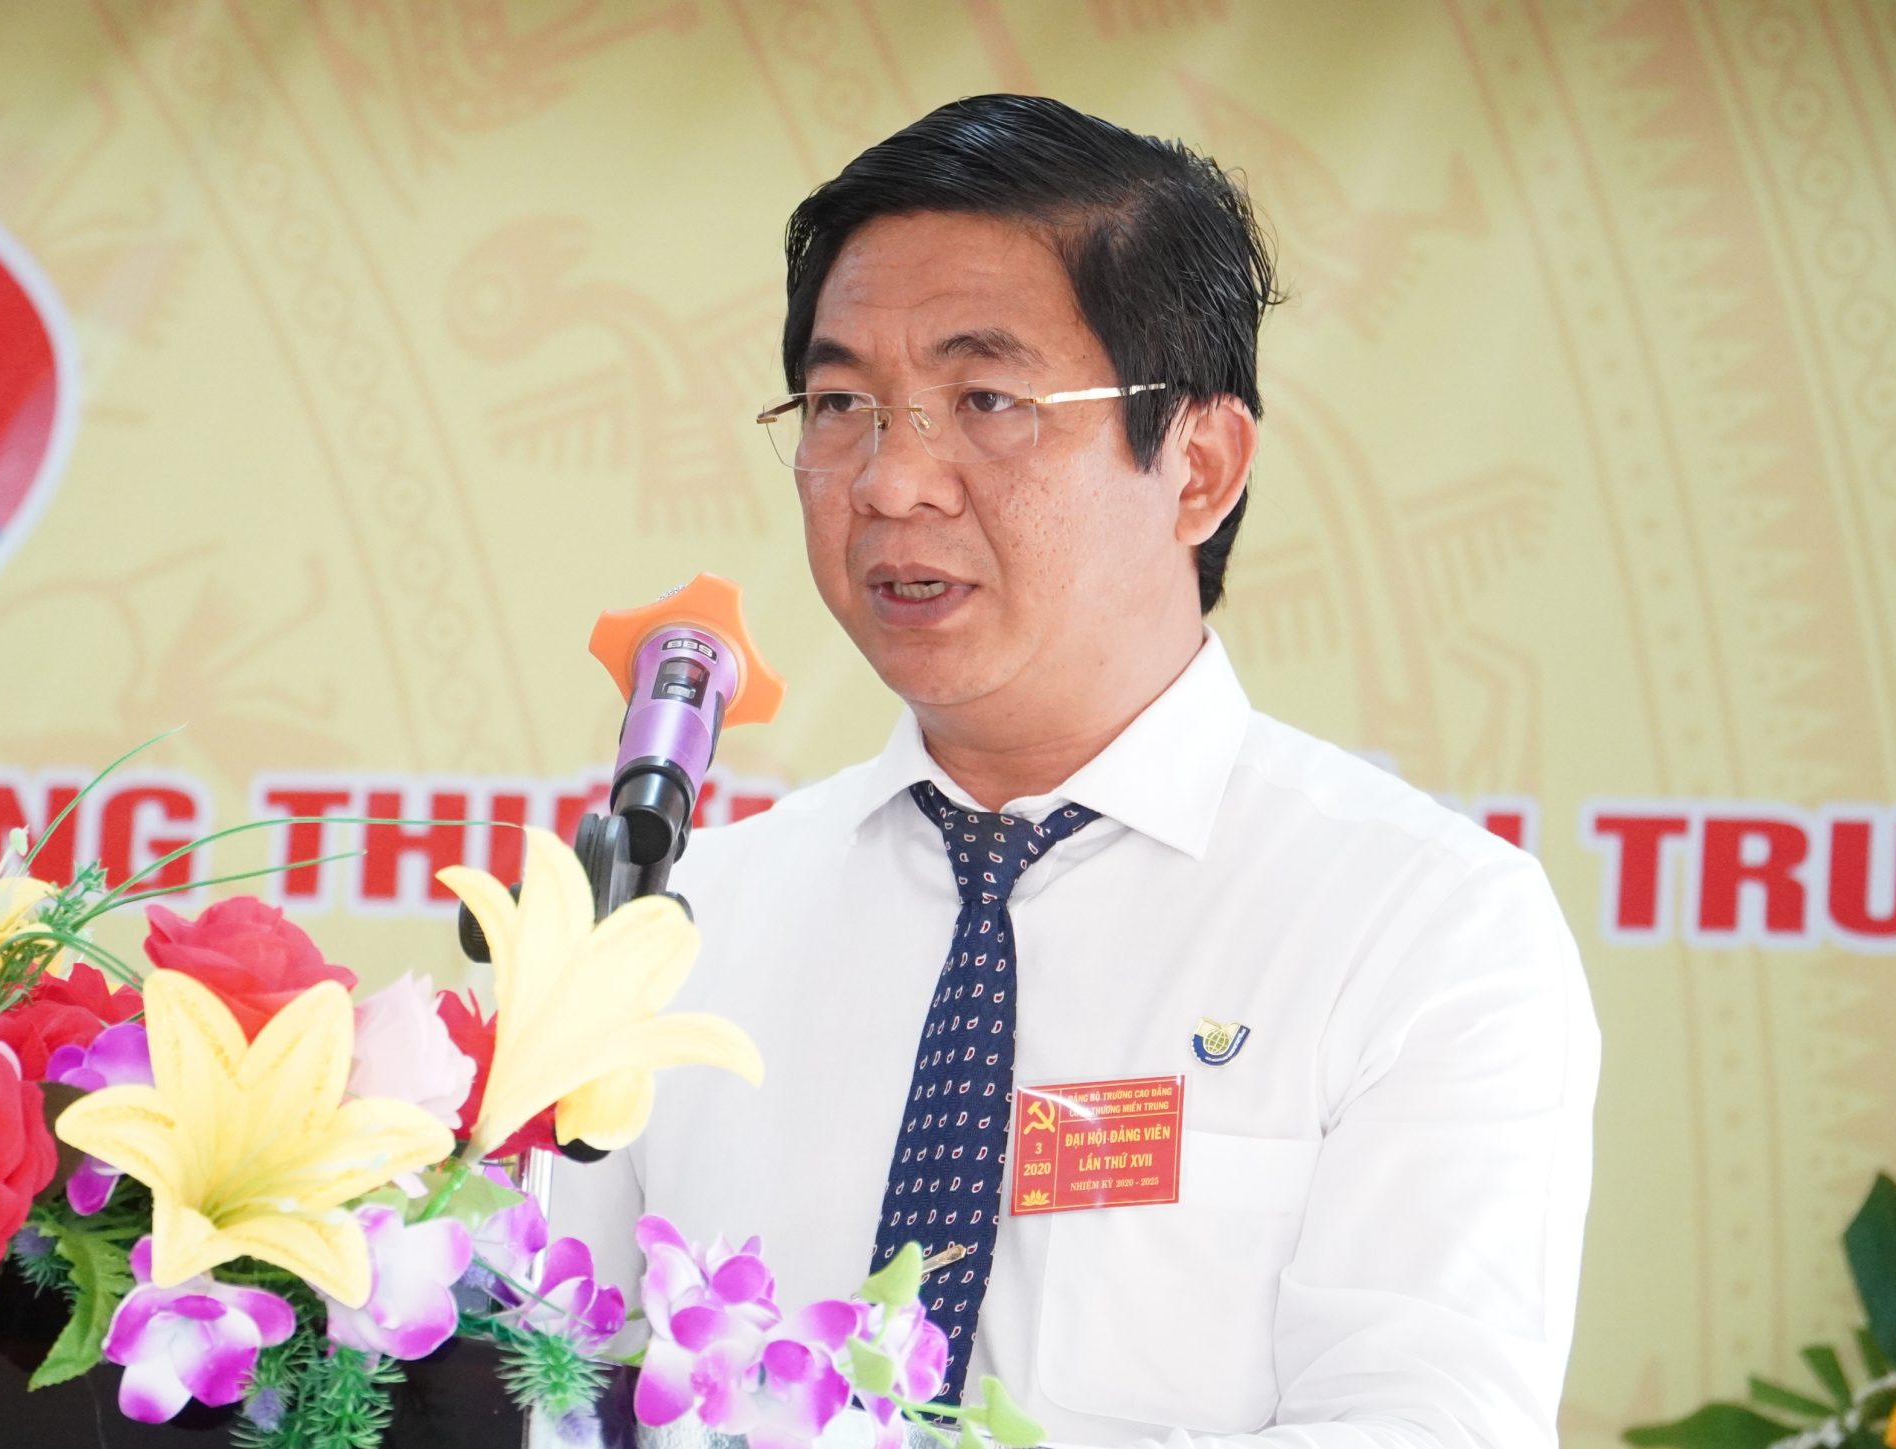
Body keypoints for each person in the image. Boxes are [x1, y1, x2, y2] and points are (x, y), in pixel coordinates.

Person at [551, 95, 1598, 1447]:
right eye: (842, 403)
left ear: (1199, 465)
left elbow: (1420, 1425)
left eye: (986, 401)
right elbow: (546, 1383)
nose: (892, 482)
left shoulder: (1420, 926)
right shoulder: (684, 923)